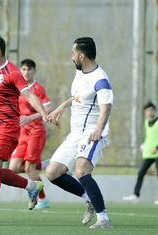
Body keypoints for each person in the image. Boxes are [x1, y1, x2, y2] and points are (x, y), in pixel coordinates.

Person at [0, 33, 48, 227]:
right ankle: (31, 186)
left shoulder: (13, 73)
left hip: (7, 128)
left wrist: (43, 113)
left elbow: (29, 95)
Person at [46, 37, 113, 229]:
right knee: (52, 173)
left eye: (73, 53)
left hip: (92, 132)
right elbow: (78, 97)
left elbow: (106, 107)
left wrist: (98, 131)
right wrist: (61, 107)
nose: (71, 56)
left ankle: (104, 219)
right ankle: (89, 199)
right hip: (75, 133)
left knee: (81, 170)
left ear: (81, 55)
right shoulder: (80, 73)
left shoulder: (100, 79)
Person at [9, 58, 53, 209]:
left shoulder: (38, 89)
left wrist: (30, 118)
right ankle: (41, 164)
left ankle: (43, 199)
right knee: (13, 169)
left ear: (34, 71)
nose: (26, 72)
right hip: (22, 133)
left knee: (29, 169)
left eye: (29, 69)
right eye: (23, 69)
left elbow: (48, 109)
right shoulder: (18, 88)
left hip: (36, 131)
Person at [123, 102, 158, 204]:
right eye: (147, 110)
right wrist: (144, 144)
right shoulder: (146, 123)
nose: (150, 112)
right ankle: (135, 195)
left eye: (151, 110)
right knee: (141, 173)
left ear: (154, 111)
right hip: (148, 154)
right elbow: (150, 137)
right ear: (145, 112)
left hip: (157, 153)